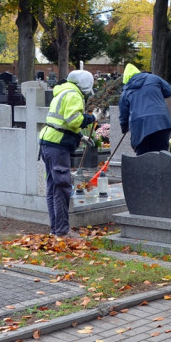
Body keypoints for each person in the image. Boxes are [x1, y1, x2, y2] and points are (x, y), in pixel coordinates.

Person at [38, 70, 96, 237]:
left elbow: (61, 121)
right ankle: (62, 231)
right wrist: (92, 118)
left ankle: (55, 229)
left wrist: (80, 136)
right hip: (58, 146)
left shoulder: (63, 91)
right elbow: (74, 120)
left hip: (48, 142)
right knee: (62, 187)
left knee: (53, 186)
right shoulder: (74, 95)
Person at [119, 63, 171, 155]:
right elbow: (169, 91)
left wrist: (124, 128)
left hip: (140, 126)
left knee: (143, 158)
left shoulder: (126, 91)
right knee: (162, 155)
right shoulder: (153, 78)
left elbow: (123, 114)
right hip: (161, 122)